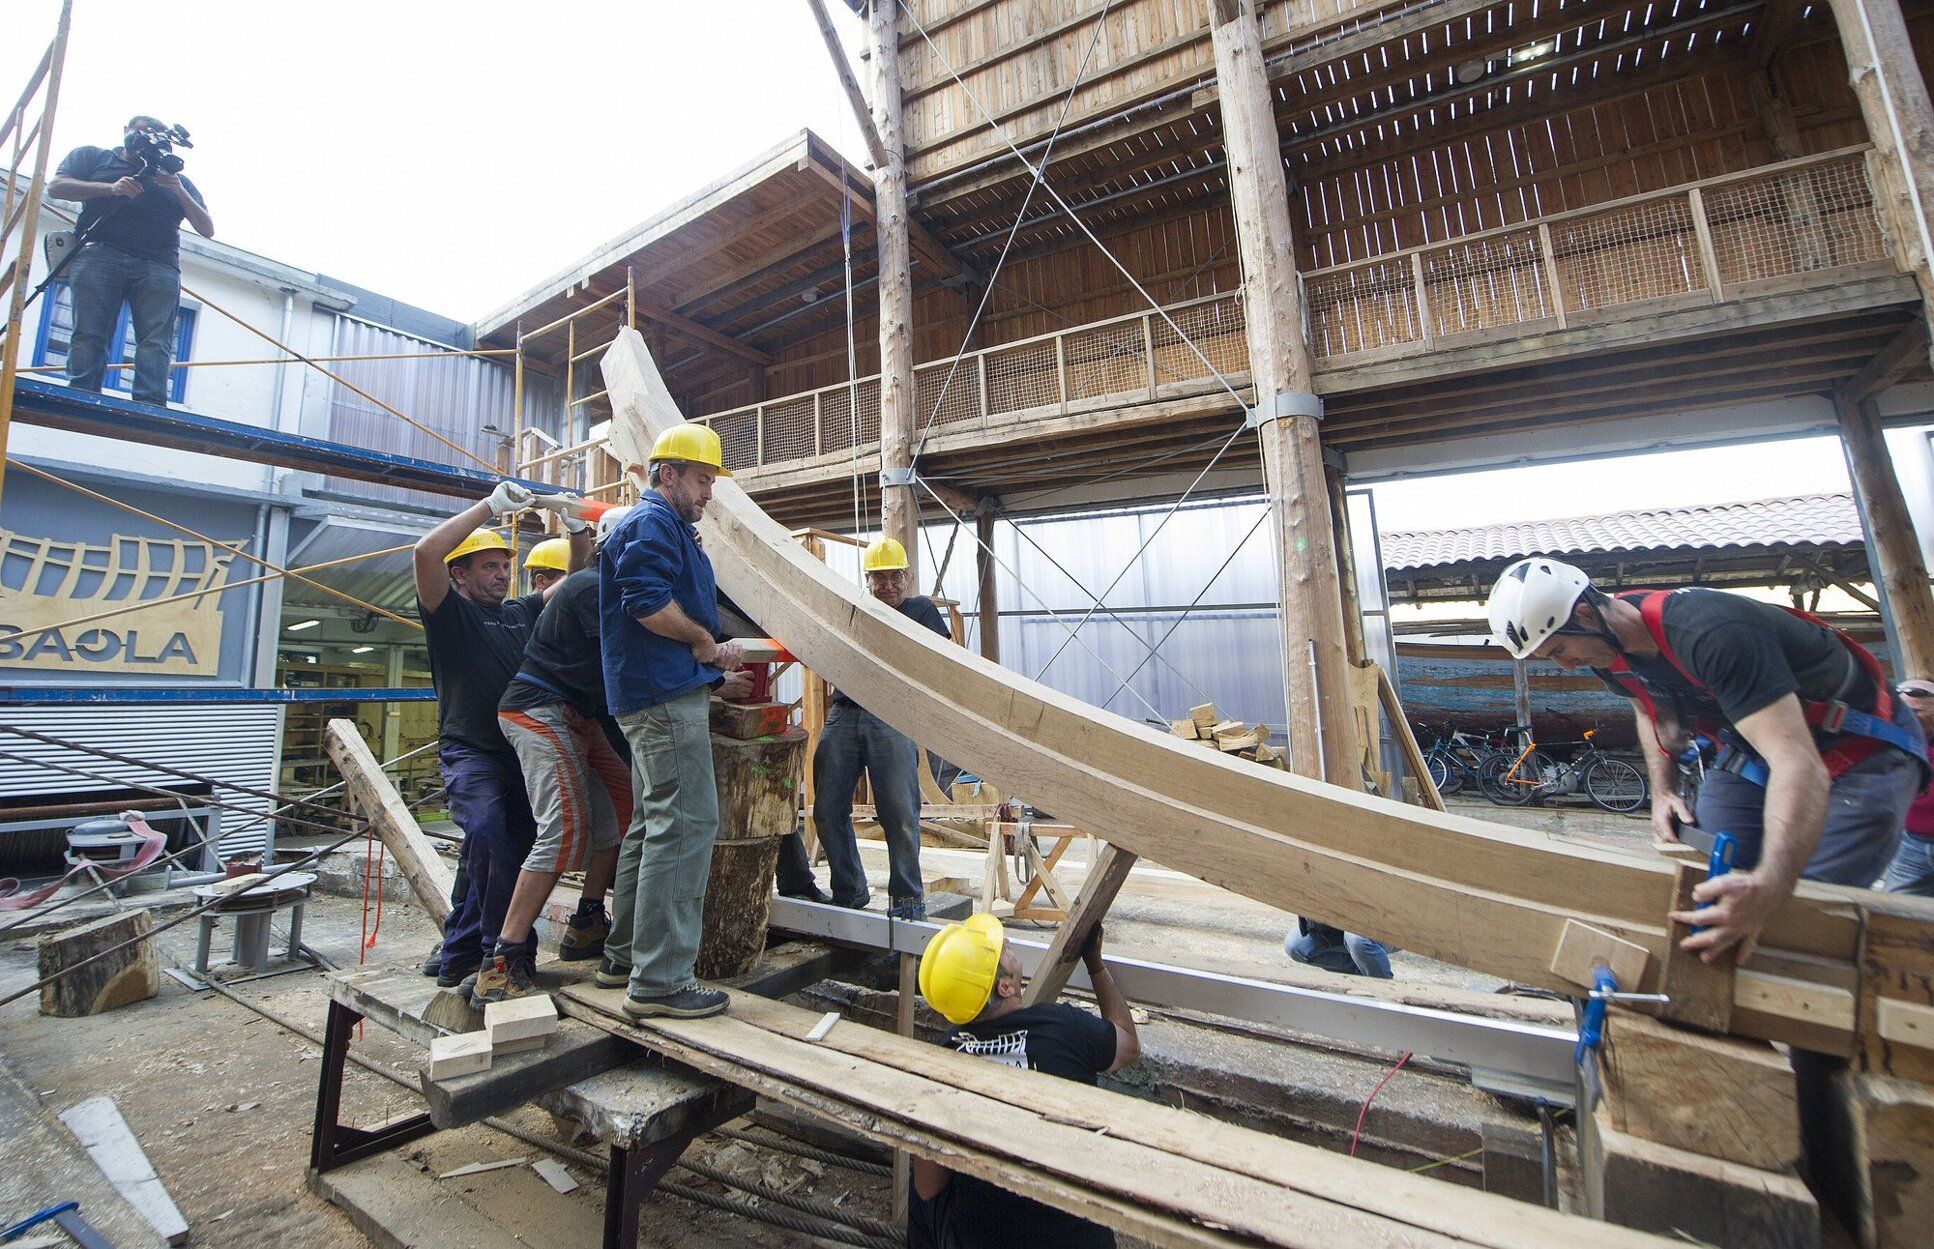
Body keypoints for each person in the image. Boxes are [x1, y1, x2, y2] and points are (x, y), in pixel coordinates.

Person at [1487, 558, 1928, 964]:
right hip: (1757, 751)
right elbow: (1650, 710)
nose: (1566, 666)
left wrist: (1771, 886)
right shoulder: (1606, 650)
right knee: (1706, 886)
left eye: (1559, 650)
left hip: (1863, 750)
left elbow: (1798, 764)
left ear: (1585, 615)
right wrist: (1663, 792)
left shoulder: (1708, 632)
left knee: (1801, 916)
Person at [600, 423, 752, 1020]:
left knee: (652, 825)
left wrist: (707, 651)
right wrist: (703, 643)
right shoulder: (654, 523)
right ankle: (660, 980)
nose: (709, 493)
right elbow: (646, 604)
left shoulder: (667, 527)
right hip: (662, 697)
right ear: (668, 474)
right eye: (702, 480)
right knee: (686, 824)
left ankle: (624, 957)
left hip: (655, 692)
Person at [414, 481, 589, 991]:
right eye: (488, 566)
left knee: (507, 848)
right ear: (460, 575)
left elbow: (575, 580)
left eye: (503, 566)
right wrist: (488, 508)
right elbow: (425, 553)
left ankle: (459, 951)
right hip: (471, 751)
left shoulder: (520, 613)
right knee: (488, 833)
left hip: (521, 752)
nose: (500, 574)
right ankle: (500, 954)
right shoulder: (448, 614)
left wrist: (577, 530)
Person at [475, 508, 637, 1004]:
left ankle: (587, 921)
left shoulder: (605, 583)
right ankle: (501, 961)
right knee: (564, 830)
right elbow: (627, 662)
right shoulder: (593, 588)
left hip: (577, 712)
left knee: (626, 809)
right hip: (541, 710)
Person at [910, 915, 1139, 1249]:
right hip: (1076, 1239)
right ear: (1005, 987)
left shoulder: (943, 1060)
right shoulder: (1063, 1028)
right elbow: (1129, 1044)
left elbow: (928, 1187)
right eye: (1001, 950)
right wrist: (1096, 966)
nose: (1007, 942)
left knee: (921, 1157)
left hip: (984, 1238)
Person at [779, 537, 950, 920]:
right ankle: (850, 892)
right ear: (867, 580)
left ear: (907, 577)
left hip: (892, 715)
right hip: (845, 711)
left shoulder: (920, 610)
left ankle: (907, 903)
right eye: (878, 578)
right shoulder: (854, 608)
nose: (887, 585)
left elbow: (940, 659)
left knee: (899, 814)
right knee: (826, 809)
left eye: (894, 577)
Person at [48, 117, 214, 406]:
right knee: (90, 332)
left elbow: (207, 228)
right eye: (141, 132)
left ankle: (150, 403)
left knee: (155, 340)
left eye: (155, 135)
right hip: (100, 253)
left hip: (158, 264)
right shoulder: (94, 157)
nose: (147, 138)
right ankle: (82, 395)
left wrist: (178, 189)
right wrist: (111, 188)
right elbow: (57, 187)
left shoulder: (177, 180)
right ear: (126, 131)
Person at [1883, 678, 1934, 897]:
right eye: (1904, 711)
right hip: (1912, 843)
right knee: (1891, 907)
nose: (1908, 718)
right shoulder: (1895, 740)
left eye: (1916, 711)